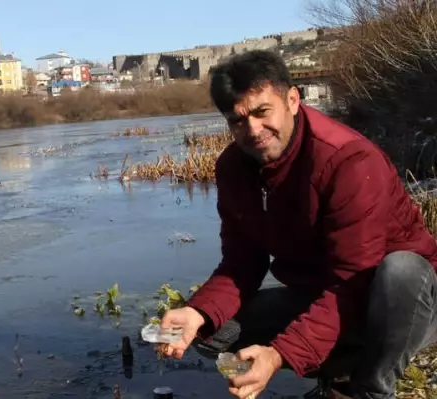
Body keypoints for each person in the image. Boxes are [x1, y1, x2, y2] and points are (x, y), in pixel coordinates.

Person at [158, 50, 437, 399]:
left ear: (292, 99)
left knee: (401, 271)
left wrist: (278, 355)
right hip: (321, 292)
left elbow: (352, 281)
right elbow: (241, 264)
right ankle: (339, 365)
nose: (253, 130)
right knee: (213, 331)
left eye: (262, 112)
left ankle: (367, 387)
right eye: (237, 120)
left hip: (401, 301)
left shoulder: (347, 159)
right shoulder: (233, 167)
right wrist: (197, 312)